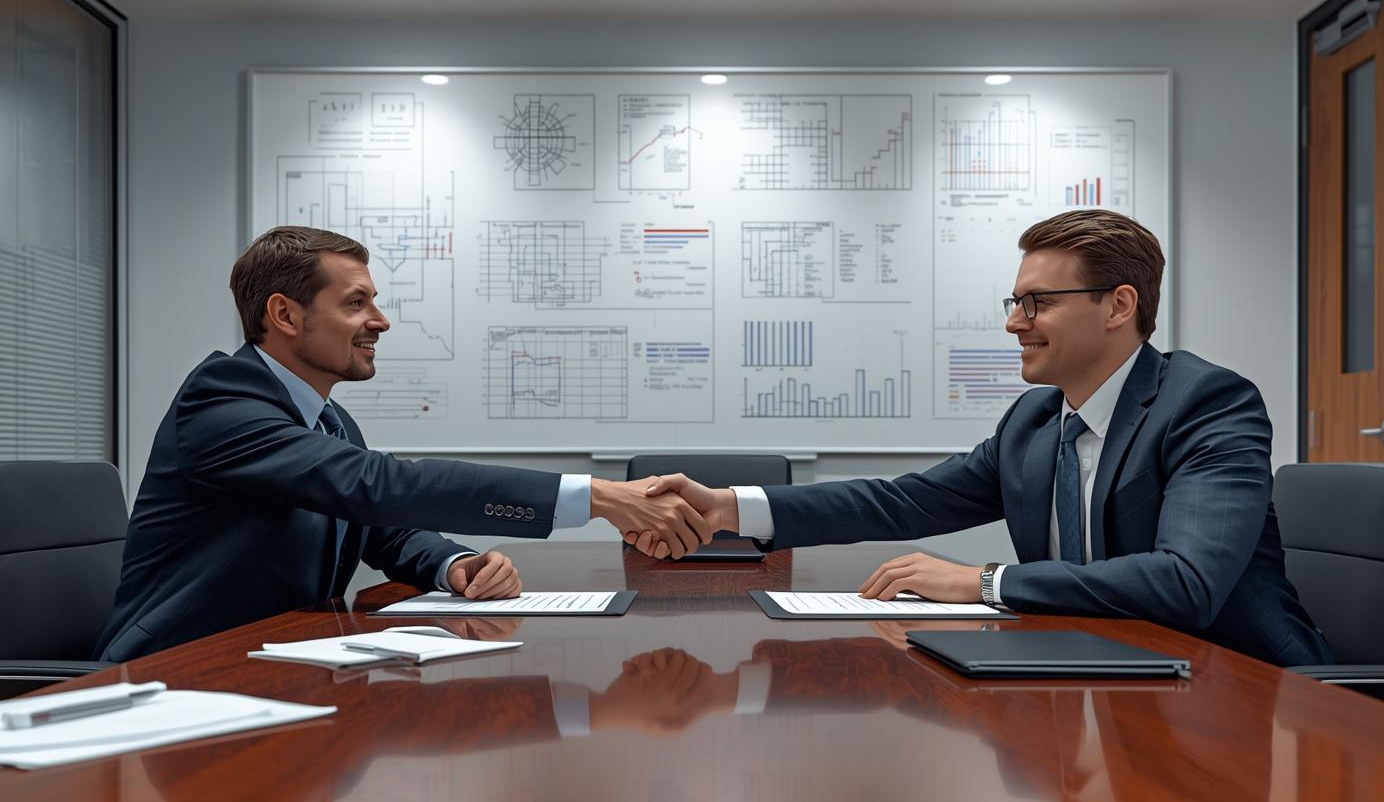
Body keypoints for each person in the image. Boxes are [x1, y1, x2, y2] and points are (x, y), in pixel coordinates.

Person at [635, 210, 1330, 666]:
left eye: (1038, 304)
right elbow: (898, 503)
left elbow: (1187, 584)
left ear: (1119, 305)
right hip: (1095, 672)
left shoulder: (1206, 404)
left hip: (1242, 695)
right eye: (1015, 303)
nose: (1014, 324)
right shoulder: (1033, 423)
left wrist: (984, 581)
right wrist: (729, 508)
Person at [95, 226, 711, 662]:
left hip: (282, 662)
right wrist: (597, 497)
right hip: (179, 674)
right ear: (285, 316)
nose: (381, 322)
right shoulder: (222, 401)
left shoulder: (328, 421)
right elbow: (380, 486)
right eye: (356, 303)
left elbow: (381, 523)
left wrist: (454, 564)